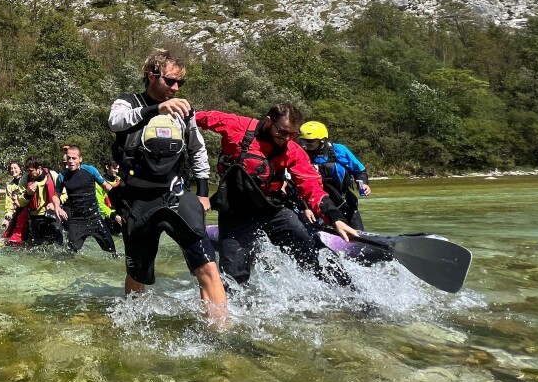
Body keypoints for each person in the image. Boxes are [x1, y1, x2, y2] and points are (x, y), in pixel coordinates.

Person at [109, 50, 226, 318]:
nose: (176, 88)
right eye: (171, 81)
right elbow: (114, 123)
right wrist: (156, 109)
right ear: (152, 76)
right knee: (136, 272)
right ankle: (133, 322)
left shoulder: (185, 112)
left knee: (208, 266)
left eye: (180, 84)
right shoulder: (127, 103)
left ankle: (222, 333)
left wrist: (204, 192)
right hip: (137, 201)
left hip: (175, 195)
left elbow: (197, 150)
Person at [197, 103, 360, 287]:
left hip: (272, 208)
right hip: (235, 213)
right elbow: (198, 118)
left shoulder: (293, 150)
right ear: (269, 122)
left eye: (293, 134)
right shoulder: (237, 126)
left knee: (311, 248)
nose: (287, 139)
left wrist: (335, 218)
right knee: (234, 275)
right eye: (283, 132)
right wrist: (168, 109)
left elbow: (311, 186)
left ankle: (350, 292)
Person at [298, 121, 371, 230]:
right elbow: (298, 185)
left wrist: (364, 184)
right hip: (316, 207)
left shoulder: (339, 150)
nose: (305, 144)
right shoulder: (300, 155)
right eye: (303, 140)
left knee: (358, 234)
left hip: (344, 204)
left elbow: (360, 171)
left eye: (310, 141)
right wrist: (305, 207)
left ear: (322, 139)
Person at [55, 145, 118, 255]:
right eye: (68, 158)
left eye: (74, 158)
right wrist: (57, 208)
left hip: (95, 218)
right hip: (76, 221)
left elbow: (106, 186)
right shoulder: (62, 176)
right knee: (70, 254)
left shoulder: (90, 171)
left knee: (112, 253)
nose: (70, 161)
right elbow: (56, 195)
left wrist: (120, 201)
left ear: (80, 159)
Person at [17, 158, 65, 247]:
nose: (29, 173)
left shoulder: (53, 175)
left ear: (39, 168)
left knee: (58, 244)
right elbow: (20, 202)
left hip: (52, 215)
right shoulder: (25, 179)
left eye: (31, 170)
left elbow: (65, 193)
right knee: (38, 246)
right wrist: (27, 194)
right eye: (27, 171)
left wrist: (56, 204)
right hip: (35, 217)